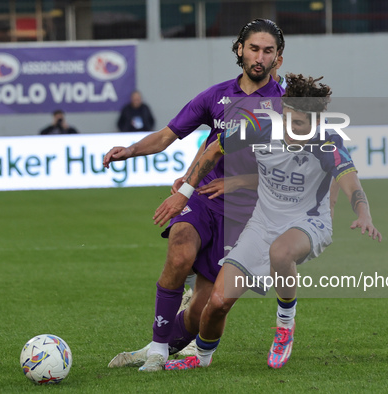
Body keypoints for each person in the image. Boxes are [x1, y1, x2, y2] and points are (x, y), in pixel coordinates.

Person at [155, 74, 382, 371]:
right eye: (287, 119)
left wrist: (363, 212)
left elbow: (351, 182)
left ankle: (285, 325)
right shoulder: (261, 126)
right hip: (261, 225)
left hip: (309, 223)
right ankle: (200, 359)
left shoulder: (327, 143)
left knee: (281, 252)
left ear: (315, 123)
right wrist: (186, 191)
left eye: (298, 124)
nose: (289, 129)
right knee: (217, 304)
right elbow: (213, 149)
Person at [103, 18, 286, 372]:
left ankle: (158, 348)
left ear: (278, 57)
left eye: (268, 51)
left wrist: (233, 182)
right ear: (239, 49)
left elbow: (288, 173)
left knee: (204, 308)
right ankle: (157, 350)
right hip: (205, 198)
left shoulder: (286, 107)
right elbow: (167, 135)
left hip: (249, 215)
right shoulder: (214, 96)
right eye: (253, 48)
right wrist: (130, 149)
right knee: (180, 246)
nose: (259, 57)